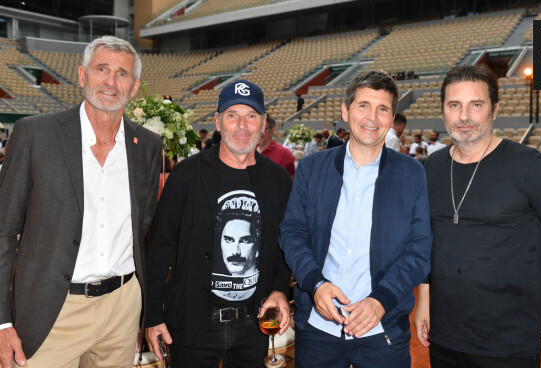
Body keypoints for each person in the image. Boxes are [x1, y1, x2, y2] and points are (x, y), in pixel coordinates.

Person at [0, 35, 162, 368]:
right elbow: (3, 232)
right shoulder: (34, 135)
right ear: (82, 75)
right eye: (102, 69)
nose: (110, 81)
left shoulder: (147, 146)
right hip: (51, 311)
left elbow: (143, 227)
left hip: (121, 309)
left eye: (122, 74)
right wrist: (2, 322)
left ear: (134, 88)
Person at [415, 64, 541, 368]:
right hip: (444, 334)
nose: (464, 116)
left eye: (475, 104)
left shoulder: (529, 166)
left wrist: (531, 278)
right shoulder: (431, 167)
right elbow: (425, 240)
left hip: (509, 341)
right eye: (455, 105)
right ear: (443, 111)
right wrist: (424, 298)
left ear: (494, 109)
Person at [279, 71, 432, 368]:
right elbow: (292, 232)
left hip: (382, 329)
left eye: (382, 109)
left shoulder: (411, 174)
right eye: (363, 106)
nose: (371, 118)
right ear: (345, 111)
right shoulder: (311, 169)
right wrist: (316, 283)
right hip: (318, 329)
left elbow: (419, 249)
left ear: (392, 118)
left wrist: (381, 301)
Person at [145, 79, 292, 367]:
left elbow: (283, 247)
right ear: (217, 121)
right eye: (232, 115)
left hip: (255, 325)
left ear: (263, 125)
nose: (242, 125)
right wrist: (152, 316)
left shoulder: (278, 180)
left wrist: (279, 290)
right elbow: (159, 249)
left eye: (251, 116)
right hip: (192, 324)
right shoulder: (187, 175)